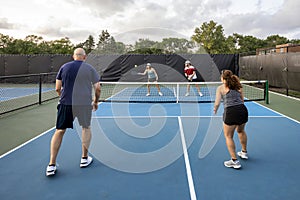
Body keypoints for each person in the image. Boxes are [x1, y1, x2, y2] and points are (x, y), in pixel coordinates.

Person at [46, 48, 101, 176]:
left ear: (73, 56)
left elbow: (57, 88)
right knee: (86, 128)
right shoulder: (89, 68)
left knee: (59, 131)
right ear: (85, 57)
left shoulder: (64, 67)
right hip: (84, 104)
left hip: (66, 104)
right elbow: (98, 88)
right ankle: (84, 159)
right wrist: (96, 101)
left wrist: (62, 96)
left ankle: (51, 165)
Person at [214, 70, 248, 169]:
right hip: (242, 110)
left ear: (223, 78)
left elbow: (217, 103)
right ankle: (244, 152)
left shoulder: (220, 88)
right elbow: (242, 100)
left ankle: (234, 161)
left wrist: (215, 109)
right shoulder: (238, 86)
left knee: (228, 136)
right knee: (241, 131)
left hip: (231, 112)